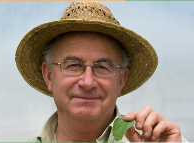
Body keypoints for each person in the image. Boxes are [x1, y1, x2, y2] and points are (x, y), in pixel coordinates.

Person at [15, 2, 188, 142]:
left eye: (102, 67)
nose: (88, 82)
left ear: (121, 80)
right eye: (73, 65)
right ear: (48, 75)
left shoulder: (162, 141)